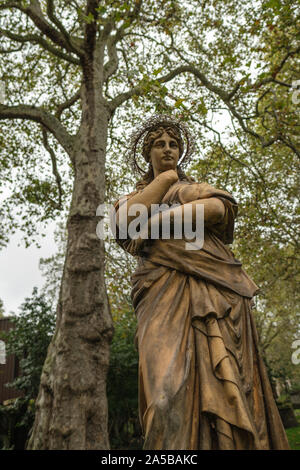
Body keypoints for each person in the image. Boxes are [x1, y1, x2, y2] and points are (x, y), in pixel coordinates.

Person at [114, 115, 290, 450]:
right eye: (159, 145)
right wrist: (165, 178)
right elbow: (124, 223)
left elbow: (219, 209)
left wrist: (154, 225)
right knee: (163, 398)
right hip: (159, 298)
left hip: (212, 296)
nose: (168, 149)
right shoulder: (135, 196)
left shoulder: (189, 190)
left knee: (223, 393)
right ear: (147, 153)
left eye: (173, 144)